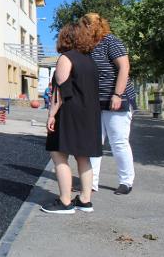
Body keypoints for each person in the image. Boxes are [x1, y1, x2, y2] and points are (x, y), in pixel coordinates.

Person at [41, 23, 102, 214]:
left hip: (70, 113)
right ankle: (85, 200)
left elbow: (60, 91)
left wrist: (51, 115)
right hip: (90, 114)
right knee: (83, 156)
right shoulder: (89, 60)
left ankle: (65, 202)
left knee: (59, 154)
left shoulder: (66, 58)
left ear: (65, 38)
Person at [81, 13, 136, 195]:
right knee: (95, 142)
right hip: (95, 102)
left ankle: (126, 181)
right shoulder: (88, 46)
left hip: (116, 99)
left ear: (95, 26)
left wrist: (117, 94)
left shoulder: (110, 41)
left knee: (118, 142)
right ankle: (92, 182)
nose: (83, 30)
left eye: (85, 27)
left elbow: (124, 67)